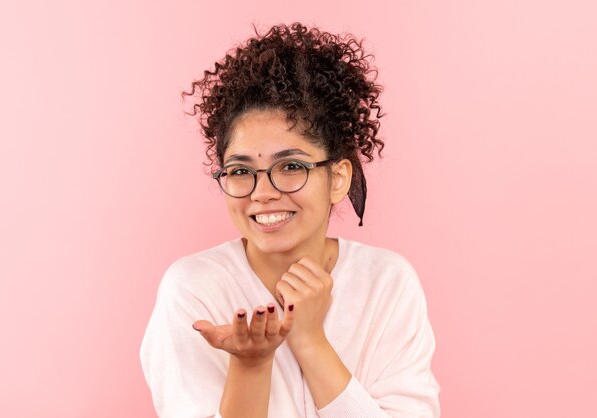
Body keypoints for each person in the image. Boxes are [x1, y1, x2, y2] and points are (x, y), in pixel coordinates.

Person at [140, 22, 441, 418]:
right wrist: (251, 365)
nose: (262, 192)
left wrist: (311, 341)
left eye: (291, 166)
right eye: (241, 171)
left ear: (337, 178)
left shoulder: (386, 283)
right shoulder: (194, 289)